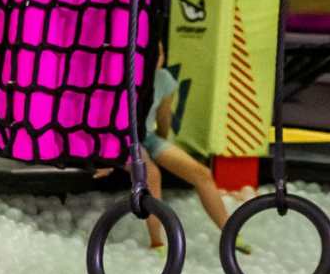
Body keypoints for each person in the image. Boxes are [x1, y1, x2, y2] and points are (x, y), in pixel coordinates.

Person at [97, 47, 252, 255]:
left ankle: (230, 231)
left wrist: (165, 147)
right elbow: (106, 118)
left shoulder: (164, 79)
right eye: (151, 52)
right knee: (151, 174)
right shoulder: (123, 78)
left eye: (159, 54)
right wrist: (107, 157)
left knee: (201, 173)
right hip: (123, 139)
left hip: (148, 137)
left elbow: (163, 117)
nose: (156, 58)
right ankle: (157, 242)